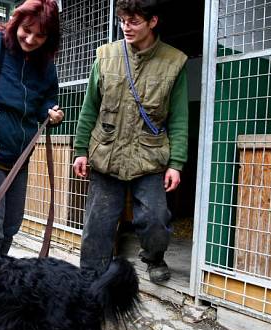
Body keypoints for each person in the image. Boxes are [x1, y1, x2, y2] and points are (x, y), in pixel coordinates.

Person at [72, 0, 188, 283]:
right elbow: (90, 108)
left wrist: (176, 163)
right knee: (98, 222)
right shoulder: (106, 56)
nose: (126, 27)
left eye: (134, 21)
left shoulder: (174, 62)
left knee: (156, 218)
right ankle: (90, 275)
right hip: (107, 153)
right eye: (123, 20)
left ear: (153, 22)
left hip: (149, 157)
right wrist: (80, 150)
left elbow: (179, 117)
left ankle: (153, 257)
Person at [0, 0, 64, 256]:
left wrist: (51, 113)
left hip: (21, 156)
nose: (30, 39)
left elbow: (46, 98)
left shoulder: (45, 62)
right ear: (16, 22)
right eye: (26, 30)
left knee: (11, 225)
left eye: (40, 35)